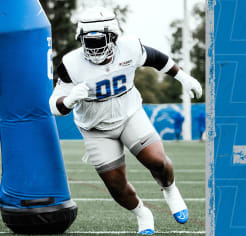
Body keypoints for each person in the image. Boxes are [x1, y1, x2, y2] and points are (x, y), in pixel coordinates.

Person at [49, 7, 202, 235]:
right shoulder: (71, 63)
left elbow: (157, 58)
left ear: (112, 35)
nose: (92, 48)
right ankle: (143, 213)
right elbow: (54, 106)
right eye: (87, 42)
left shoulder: (129, 47)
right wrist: (69, 100)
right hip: (96, 129)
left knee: (158, 161)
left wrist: (183, 77)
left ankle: (169, 190)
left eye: (98, 41)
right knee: (116, 186)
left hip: (130, 115)